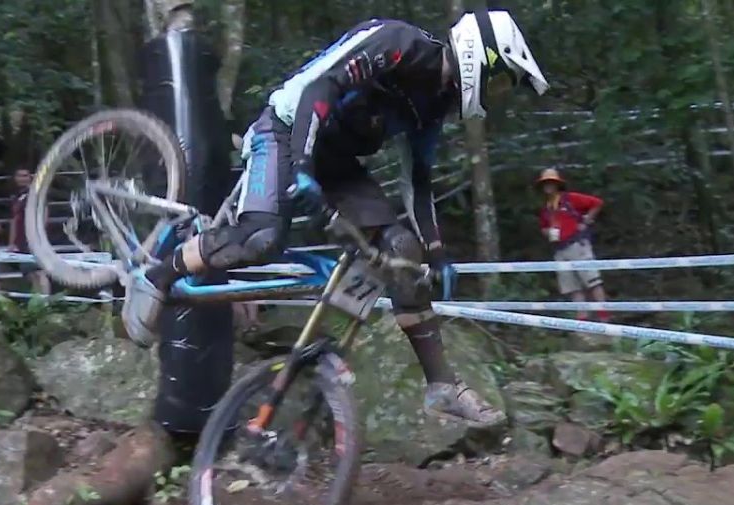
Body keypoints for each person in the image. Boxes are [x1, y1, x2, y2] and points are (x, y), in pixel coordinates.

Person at [122, 11, 548, 428]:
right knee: (261, 238)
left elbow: (417, 181)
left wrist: (435, 254)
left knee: (402, 252)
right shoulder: (398, 43)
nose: (498, 94)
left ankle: (442, 386)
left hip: (336, 161)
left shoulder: (432, 105)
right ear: (481, 56)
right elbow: (318, 88)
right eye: (501, 80)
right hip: (286, 129)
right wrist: (303, 165)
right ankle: (158, 274)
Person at [535, 168, 611, 322]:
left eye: (551, 183)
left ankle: (605, 317)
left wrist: (586, 220)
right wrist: (548, 232)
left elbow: (597, 203)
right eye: (545, 183)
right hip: (559, 249)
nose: (548, 186)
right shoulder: (546, 208)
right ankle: (582, 320)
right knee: (572, 286)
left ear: (557, 184)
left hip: (577, 244)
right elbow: (543, 227)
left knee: (592, 281)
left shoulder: (571, 199)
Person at [8, 167, 52, 296]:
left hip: (34, 239)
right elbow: (14, 220)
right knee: (29, 274)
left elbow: (44, 213)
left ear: (30, 177)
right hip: (21, 241)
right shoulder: (16, 197)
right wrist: (12, 243)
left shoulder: (36, 193)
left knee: (39, 272)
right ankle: (38, 302)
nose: (22, 178)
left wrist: (37, 236)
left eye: (25, 175)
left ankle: (45, 302)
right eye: (19, 176)